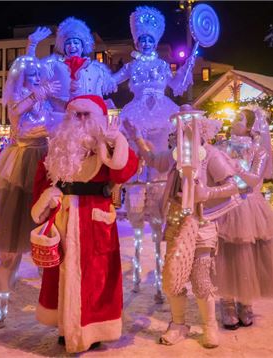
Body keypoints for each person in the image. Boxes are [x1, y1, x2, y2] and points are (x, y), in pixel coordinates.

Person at [125, 105, 241, 348]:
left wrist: (207, 192)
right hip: (177, 220)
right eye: (180, 125)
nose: (184, 129)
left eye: (189, 124)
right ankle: (178, 323)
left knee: (200, 276)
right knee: (173, 275)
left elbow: (234, 185)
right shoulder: (176, 153)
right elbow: (154, 161)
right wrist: (136, 137)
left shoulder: (211, 155)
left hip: (202, 223)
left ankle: (210, 325)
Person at [31, 95, 138, 353]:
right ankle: (65, 326)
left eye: (86, 115)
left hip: (95, 218)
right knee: (61, 274)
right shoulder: (58, 146)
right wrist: (45, 199)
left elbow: (124, 171)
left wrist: (116, 143)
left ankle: (94, 328)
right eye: (75, 115)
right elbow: (42, 181)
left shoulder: (109, 145)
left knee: (97, 278)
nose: (79, 120)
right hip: (64, 217)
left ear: (98, 118)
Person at [111, 6, 197, 300]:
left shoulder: (162, 65)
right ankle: (136, 268)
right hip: (136, 114)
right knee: (136, 184)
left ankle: (162, 273)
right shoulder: (131, 66)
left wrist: (188, 64)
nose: (145, 44)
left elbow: (176, 84)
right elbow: (112, 80)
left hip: (161, 114)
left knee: (161, 199)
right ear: (136, 42)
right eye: (141, 40)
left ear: (154, 41)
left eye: (150, 39)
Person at [0, 55, 60, 328]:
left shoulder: (43, 100)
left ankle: (51, 301)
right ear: (22, 80)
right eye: (32, 77)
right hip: (21, 166)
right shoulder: (18, 101)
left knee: (46, 235)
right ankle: (3, 298)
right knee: (11, 241)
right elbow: (23, 124)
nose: (37, 80)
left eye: (39, 76)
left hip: (44, 165)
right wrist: (48, 116)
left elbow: (55, 118)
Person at [215, 107, 273, 330]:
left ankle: (245, 302)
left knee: (249, 256)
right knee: (225, 254)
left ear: (250, 126)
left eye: (240, 118)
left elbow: (254, 180)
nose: (234, 120)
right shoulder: (222, 147)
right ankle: (226, 303)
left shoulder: (259, 151)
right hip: (225, 205)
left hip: (249, 206)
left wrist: (236, 167)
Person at [26, 18, 116, 112]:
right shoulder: (54, 66)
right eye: (68, 43)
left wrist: (103, 104)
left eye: (76, 43)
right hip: (62, 120)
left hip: (90, 121)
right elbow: (31, 72)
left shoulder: (95, 69)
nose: (72, 46)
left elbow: (99, 94)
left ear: (82, 47)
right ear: (64, 47)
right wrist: (32, 45)